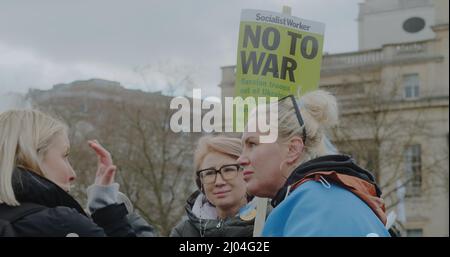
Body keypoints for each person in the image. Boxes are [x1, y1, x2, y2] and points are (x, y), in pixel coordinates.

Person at [237, 90, 390, 237]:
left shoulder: (311, 207)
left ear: (292, 149)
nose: (240, 159)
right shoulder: (329, 197)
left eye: (252, 144)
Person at [0, 109, 135, 236]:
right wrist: (106, 207)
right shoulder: (63, 224)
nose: (73, 174)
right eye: (65, 156)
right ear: (31, 155)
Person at [170, 135, 255, 237]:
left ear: (246, 172)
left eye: (228, 170)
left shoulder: (269, 221)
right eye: (209, 173)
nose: (218, 182)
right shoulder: (184, 233)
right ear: (201, 182)